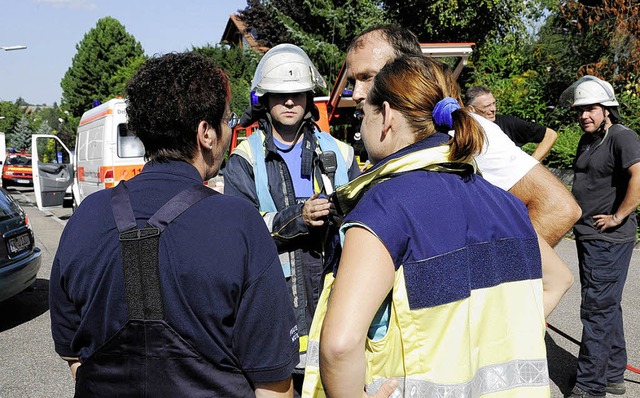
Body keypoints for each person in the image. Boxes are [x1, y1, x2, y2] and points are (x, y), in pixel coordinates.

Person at [49, 52, 299, 397]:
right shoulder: (239, 223)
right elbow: (273, 385)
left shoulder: (85, 216)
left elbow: (72, 353)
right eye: (228, 120)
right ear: (205, 133)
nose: (230, 131)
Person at [303, 54, 550, 397]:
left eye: (364, 115)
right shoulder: (506, 204)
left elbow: (340, 346)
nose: (361, 127)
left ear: (386, 116)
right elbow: (557, 281)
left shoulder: (385, 206)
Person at [343, 24, 577, 316]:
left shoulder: (464, 129)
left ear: (407, 69)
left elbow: (558, 208)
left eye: (367, 77)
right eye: (354, 80)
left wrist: (491, 294)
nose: (356, 93)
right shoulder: (389, 136)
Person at [223, 44, 361, 395]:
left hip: (335, 295)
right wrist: (296, 218)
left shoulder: (339, 153)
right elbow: (240, 233)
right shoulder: (245, 159)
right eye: (280, 95)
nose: (289, 102)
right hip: (276, 302)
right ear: (265, 100)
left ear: (308, 97)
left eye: (297, 94)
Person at [561, 76, 640, 398]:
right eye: (580, 110)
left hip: (608, 240)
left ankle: (590, 386)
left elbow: (638, 176)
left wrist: (619, 215)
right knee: (607, 306)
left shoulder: (623, 137)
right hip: (588, 237)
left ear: (607, 109)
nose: (584, 116)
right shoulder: (589, 139)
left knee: (597, 309)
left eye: (591, 109)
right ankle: (611, 375)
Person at [465, 85, 558, 161]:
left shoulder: (507, 123)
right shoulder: (462, 130)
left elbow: (550, 135)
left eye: (493, 103)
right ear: (471, 109)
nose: (493, 109)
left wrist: (530, 166)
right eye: (487, 106)